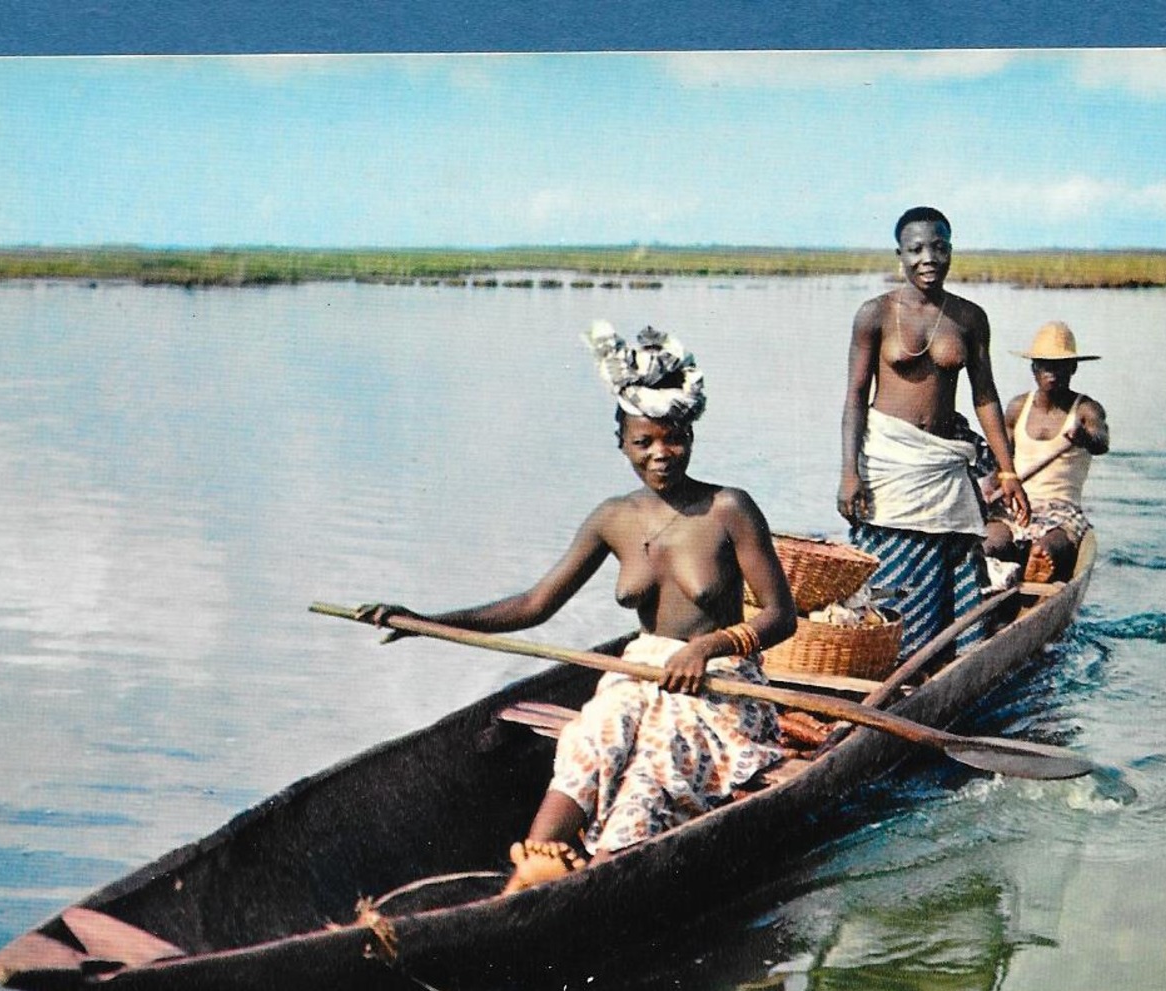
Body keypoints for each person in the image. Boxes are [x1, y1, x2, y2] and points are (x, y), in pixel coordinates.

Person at [355, 322, 798, 893]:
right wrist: (423, 622)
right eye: (644, 443)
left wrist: (708, 647)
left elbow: (778, 616)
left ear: (691, 436)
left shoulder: (729, 508)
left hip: (720, 683)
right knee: (594, 734)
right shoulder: (611, 517)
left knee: (652, 772)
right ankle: (531, 872)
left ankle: (603, 877)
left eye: (674, 439)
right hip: (641, 670)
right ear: (621, 443)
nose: (661, 455)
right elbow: (535, 604)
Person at [837, 206, 1029, 657]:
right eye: (917, 249)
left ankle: (936, 661)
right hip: (887, 458)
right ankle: (883, 656)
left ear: (951, 250)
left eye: (939, 247)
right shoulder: (875, 315)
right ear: (900, 255)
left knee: (949, 561)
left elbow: (986, 397)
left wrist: (1008, 471)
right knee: (885, 558)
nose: (929, 258)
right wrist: (849, 472)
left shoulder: (969, 317)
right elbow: (854, 398)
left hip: (942, 463)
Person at [983, 321, 1109, 583]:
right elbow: (1000, 462)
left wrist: (1084, 436)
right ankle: (1001, 575)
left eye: (1060, 365)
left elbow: (1101, 442)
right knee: (990, 544)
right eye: (1044, 364)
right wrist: (987, 490)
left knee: (1044, 550)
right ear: (1034, 368)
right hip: (1015, 505)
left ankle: (1036, 568)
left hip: (1061, 511)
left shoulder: (1086, 410)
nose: (1052, 372)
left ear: (1073, 368)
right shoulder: (1018, 407)